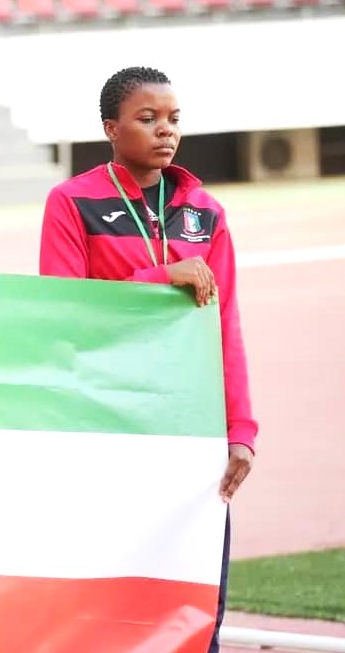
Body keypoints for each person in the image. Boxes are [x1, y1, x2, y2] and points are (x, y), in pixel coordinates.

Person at [38, 66, 257, 653]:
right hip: (107, 424)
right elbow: (63, 313)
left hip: (190, 427)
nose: (166, 131)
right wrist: (162, 279)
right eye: (147, 118)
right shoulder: (71, 202)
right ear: (111, 128)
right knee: (103, 601)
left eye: (174, 119)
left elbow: (225, 322)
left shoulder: (205, 212)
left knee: (191, 600)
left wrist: (241, 429)